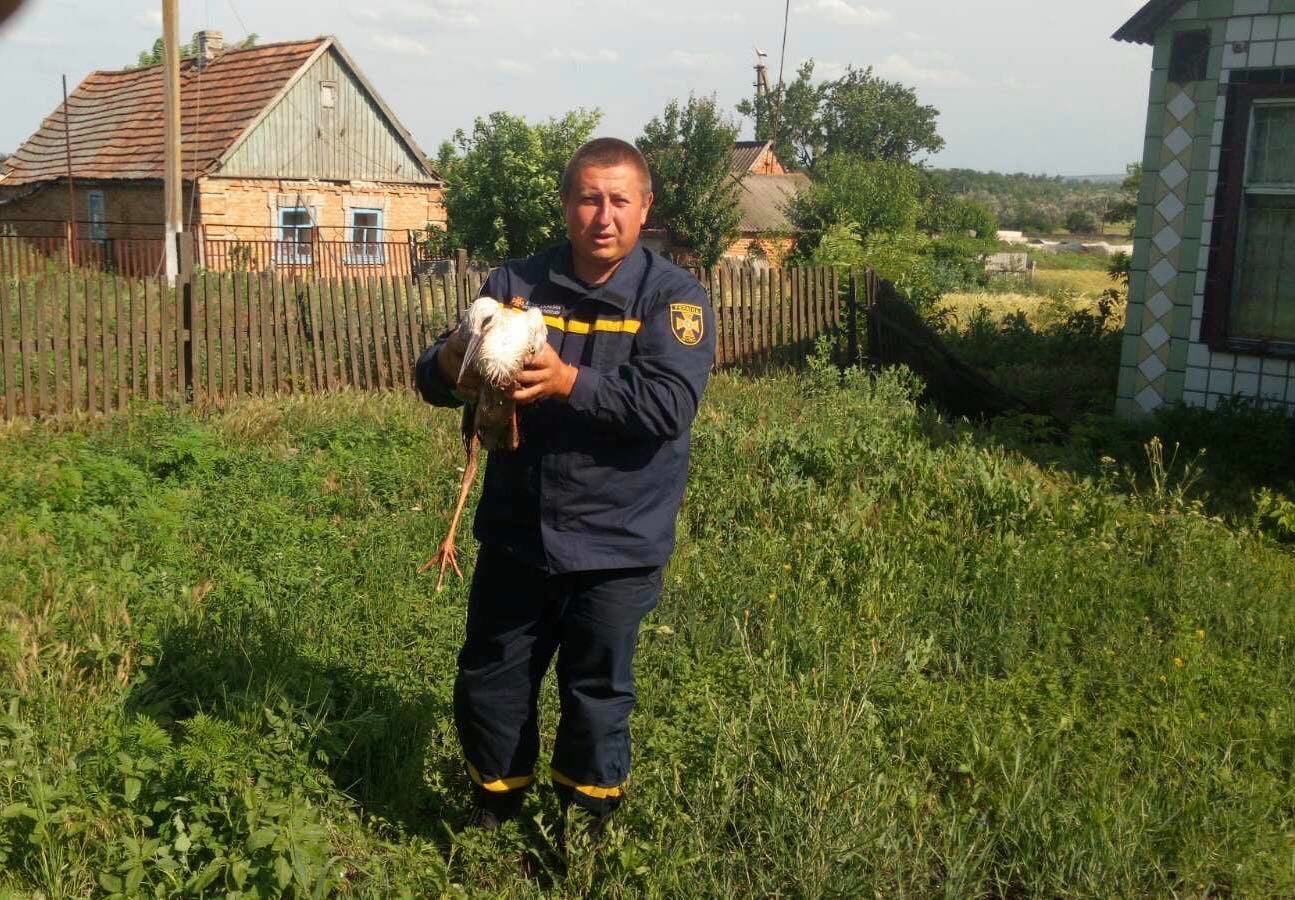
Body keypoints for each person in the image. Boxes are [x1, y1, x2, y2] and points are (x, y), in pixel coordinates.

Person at [414, 138, 716, 832]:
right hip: (518, 531)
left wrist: (566, 382)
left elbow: (668, 405)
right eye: (587, 199)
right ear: (565, 205)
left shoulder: (671, 296)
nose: (603, 217)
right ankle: (494, 812)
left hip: (618, 539)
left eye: (618, 200)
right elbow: (433, 377)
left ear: (645, 207)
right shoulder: (517, 282)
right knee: (492, 678)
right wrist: (451, 360)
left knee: (596, 692)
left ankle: (582, 826)